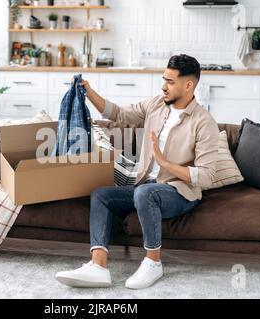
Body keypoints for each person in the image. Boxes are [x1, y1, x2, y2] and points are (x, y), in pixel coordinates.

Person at [55, 54, 219, 289]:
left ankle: (153, 263)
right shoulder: (155, 105)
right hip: (145, 186)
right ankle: (98, 265)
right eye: (164, 79)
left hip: (180, 193)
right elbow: (120, 115)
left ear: (189, 85)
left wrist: (166, 164)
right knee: (101, 194)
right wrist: (88, 92)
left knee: (145, 193)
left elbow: (207, 176)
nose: (163, 86)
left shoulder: (204, 122)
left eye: (170, 82)